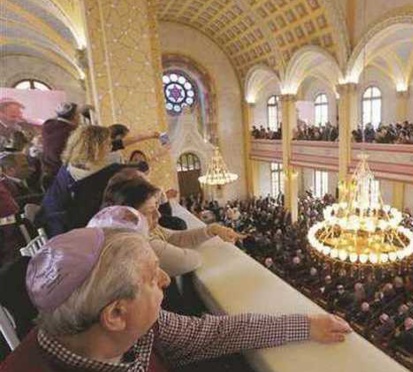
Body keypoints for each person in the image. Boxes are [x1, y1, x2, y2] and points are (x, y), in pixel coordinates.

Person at [1, 228, 352, 371]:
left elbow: (213, 334)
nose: (167, 279)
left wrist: (304, 325)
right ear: (116, 314)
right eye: (152, 277)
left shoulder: (140, 327)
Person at [101, 175, 242, 276]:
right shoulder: (139, 243)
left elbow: (176, 238)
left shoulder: (141, 227)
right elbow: (189, 260)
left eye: (157, 207)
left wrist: (212, 229)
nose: (159, 215)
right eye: (150, 212)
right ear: (127, 217)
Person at [37, 125, 147, 237]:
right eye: (108, 144)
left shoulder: (69, 163)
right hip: (73, 232)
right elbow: (142, 167)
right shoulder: (104, 174)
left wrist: (149, 135)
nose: (111, 146)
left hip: (48, 218)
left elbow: (117, 145)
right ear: (97, 149)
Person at [40, 102, 86, 188]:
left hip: (47, 170)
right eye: (78, 115)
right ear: (75, 116)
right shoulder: (71, 131)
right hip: (62, 172)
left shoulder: (48, 125)